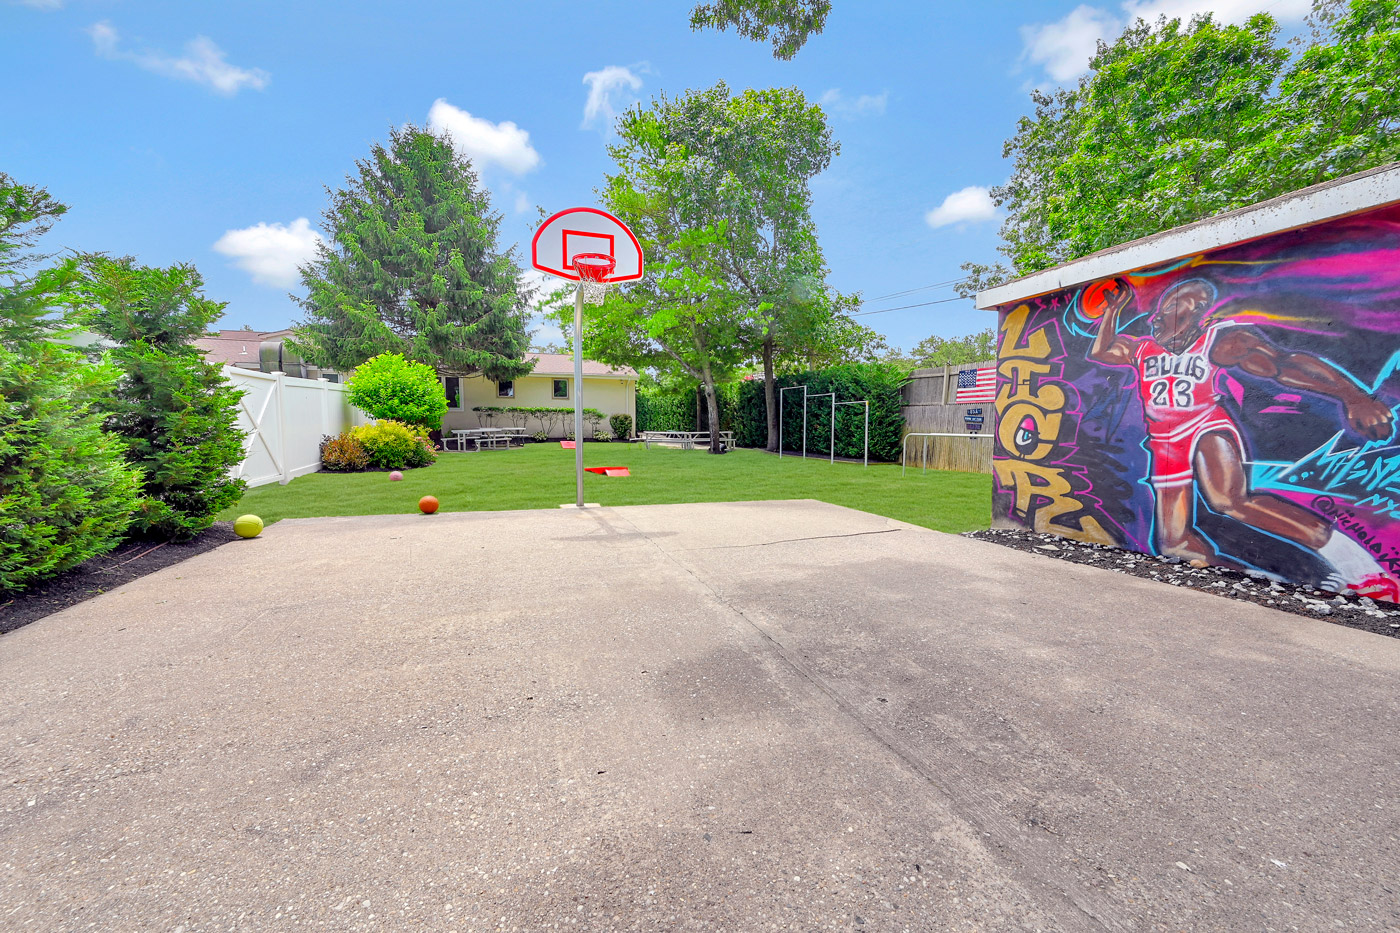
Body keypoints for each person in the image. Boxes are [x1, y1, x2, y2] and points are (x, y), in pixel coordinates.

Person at [1087, 276, 1397, 597]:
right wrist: (1112, 310)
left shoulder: (1218, 342)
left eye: (1173, 307)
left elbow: (1283, 364)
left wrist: (1354, 396)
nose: (1158, 316)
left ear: (1199, 314)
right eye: (1160, 309)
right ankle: (1246, 574)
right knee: (1174, 543)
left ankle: (1359, 567)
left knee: (1229, 500)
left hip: (1204, 425)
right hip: (1165, 443)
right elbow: (1102, 351)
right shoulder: (1142, 349)